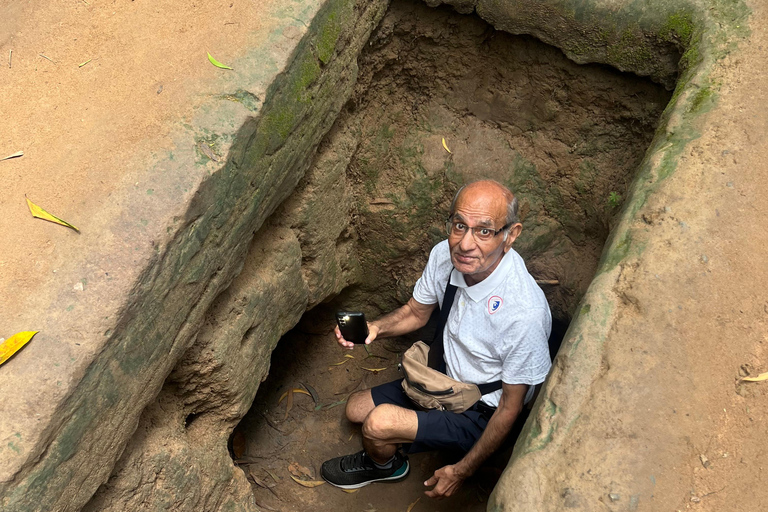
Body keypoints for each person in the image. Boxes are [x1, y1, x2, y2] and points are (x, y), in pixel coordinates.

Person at [321, 180, 552, 498]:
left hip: (482, 408)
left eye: (484, 231)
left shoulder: (522, 312)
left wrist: (462, 470)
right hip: (444, 378)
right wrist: (375, 328)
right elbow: (416, 312)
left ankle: (386, 467)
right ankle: (420, 431)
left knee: (377, 424)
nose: (465, 244)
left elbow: (510, 409)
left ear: (510, 235)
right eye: (460, 225)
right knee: (355, 409)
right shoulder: (445, 255)